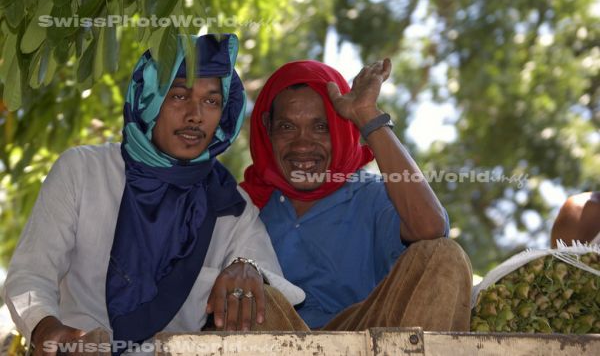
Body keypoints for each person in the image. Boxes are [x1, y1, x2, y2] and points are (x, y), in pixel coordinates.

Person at [2, 34, 307, 356]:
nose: (195, 115)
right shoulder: (83, 171)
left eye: (211, 101)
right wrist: (47, 328)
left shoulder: (228, 204)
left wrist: (249, 268)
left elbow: (275, 292)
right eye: (178, 96)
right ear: (149, 97)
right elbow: (32, 274)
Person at [241, 59, 473, 331]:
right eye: (287, 127)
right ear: (266, 128)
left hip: (364, 339)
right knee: (256, 294)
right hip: (270, 340)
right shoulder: (245, 204)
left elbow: (432, 228)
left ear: (341, 129)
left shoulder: (371, 194)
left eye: (321, 127)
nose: (302, 144)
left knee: (443, 255)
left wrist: (366, 114)